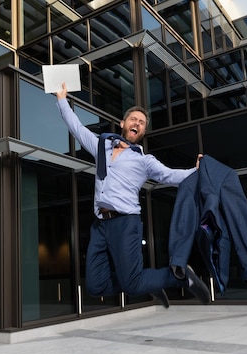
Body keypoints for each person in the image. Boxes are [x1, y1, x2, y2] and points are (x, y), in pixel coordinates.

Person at [55, 82, 211, 308]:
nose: (137, 123)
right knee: (95, 286)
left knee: (132, 284)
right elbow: (77, 128)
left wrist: (196, 171)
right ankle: (148, 283)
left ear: (143, 132)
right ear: (123, 123)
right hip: (100, 225)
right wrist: (61, 99)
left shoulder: (143, 160)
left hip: (125, 223)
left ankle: (180, 277)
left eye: (142, 123)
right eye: (133, 119)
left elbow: (170, 176)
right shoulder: (102, 147)